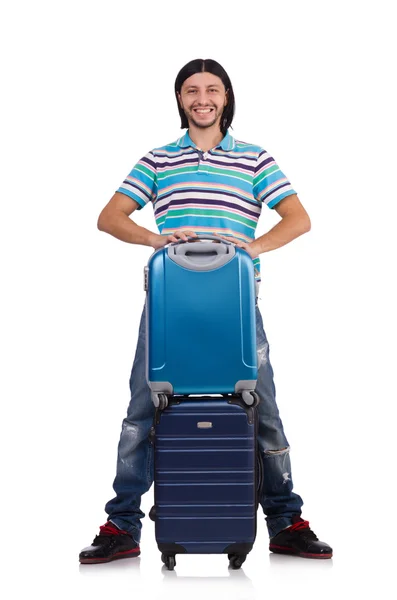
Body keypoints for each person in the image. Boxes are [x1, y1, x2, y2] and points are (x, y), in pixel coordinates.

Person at [79, 58, 332, 564]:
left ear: (226, 97)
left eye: (212, 89)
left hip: (236, 308)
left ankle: (286, 521)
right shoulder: (158, 159)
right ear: (179, 99)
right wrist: (153, 238)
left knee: (264, 412)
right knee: (142, 411)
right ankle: (122, 524)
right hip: (169, 308)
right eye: (192, 90)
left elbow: (299, 219)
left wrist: (254, 247)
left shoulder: (255, 159)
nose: (202, 98)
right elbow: (109, 217)